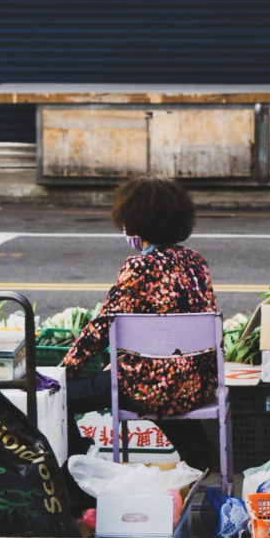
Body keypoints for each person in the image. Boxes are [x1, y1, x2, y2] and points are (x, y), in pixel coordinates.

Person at [61, 174, 220, 479]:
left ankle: (76, 474)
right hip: (196, 385)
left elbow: (101, 326)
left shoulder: (138, 267)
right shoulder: (197, 261)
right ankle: (198, 453)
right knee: (160, 376)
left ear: (133, 223)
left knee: (60, 396)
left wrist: (64, 371)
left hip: (151, 388)